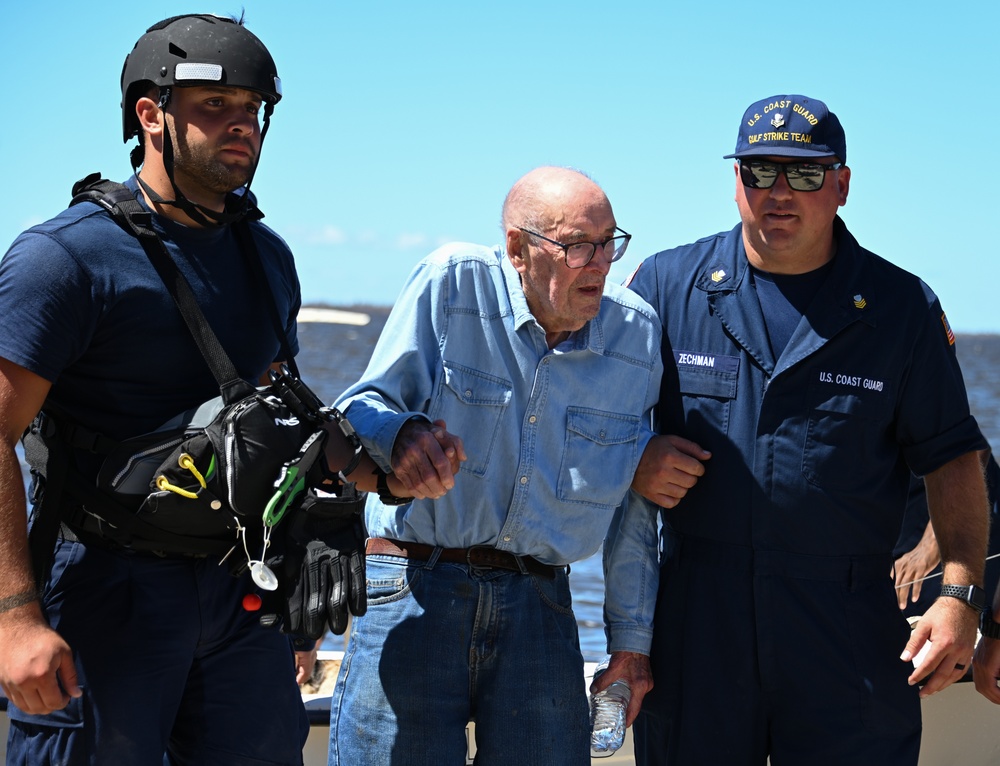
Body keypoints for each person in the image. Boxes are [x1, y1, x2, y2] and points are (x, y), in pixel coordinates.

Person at [0, 13, 395, 764]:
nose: (241, 125)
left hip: (239, 594)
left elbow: (282, 413)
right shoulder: (66, 258)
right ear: (150, 114)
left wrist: (376, 475)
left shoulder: (266, 255)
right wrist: (13, 619)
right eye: (215, 106)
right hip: (101, 587)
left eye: (253, 110)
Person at [601, 94, 991, 765]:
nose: (779, 193)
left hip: (845, 625)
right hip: (698, 621)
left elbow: (953, 457)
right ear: (736, 183)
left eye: (805, 175)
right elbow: (588, 423)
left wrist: (959, 597)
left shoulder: (901, 308)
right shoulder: (666, 287)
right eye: (759, 172)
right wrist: (633, 457)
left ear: (842, 185)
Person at [326, 166, 673, 766]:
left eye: (609, 243)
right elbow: (358, 408)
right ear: (517, 248)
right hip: (413, 585)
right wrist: (402, 435)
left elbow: (632, 509)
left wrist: (630, 646)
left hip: (541, 607)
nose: (598, 264)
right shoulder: (451, 282)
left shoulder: (637, 334)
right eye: (575, 246)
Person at [894, 450, 1000, 618]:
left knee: (952, 616)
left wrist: (932, 542)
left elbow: (970, 442)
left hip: (953, 496)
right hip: (891, 501)